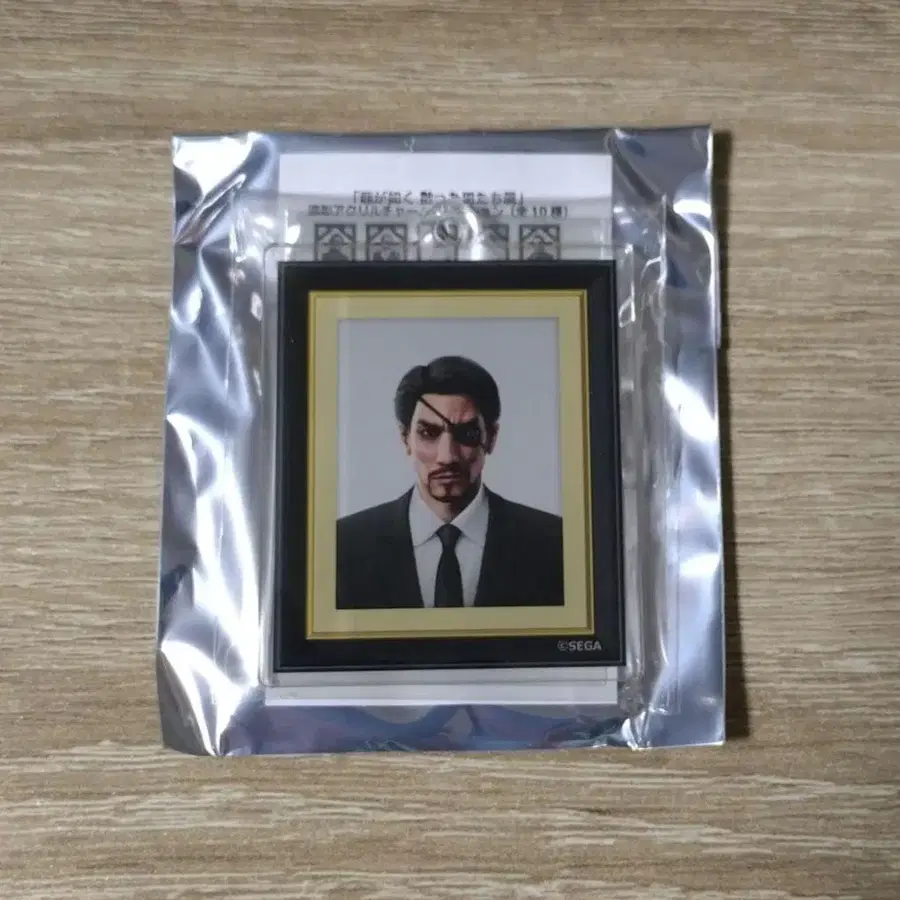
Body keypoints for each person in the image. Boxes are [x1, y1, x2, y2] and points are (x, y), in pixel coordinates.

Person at [336, 355, 564, 609]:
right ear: (405, 439)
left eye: (466, 434)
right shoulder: (343, 546)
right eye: (428, 433)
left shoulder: (555, 544)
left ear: (491, 438)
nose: (447, 457)